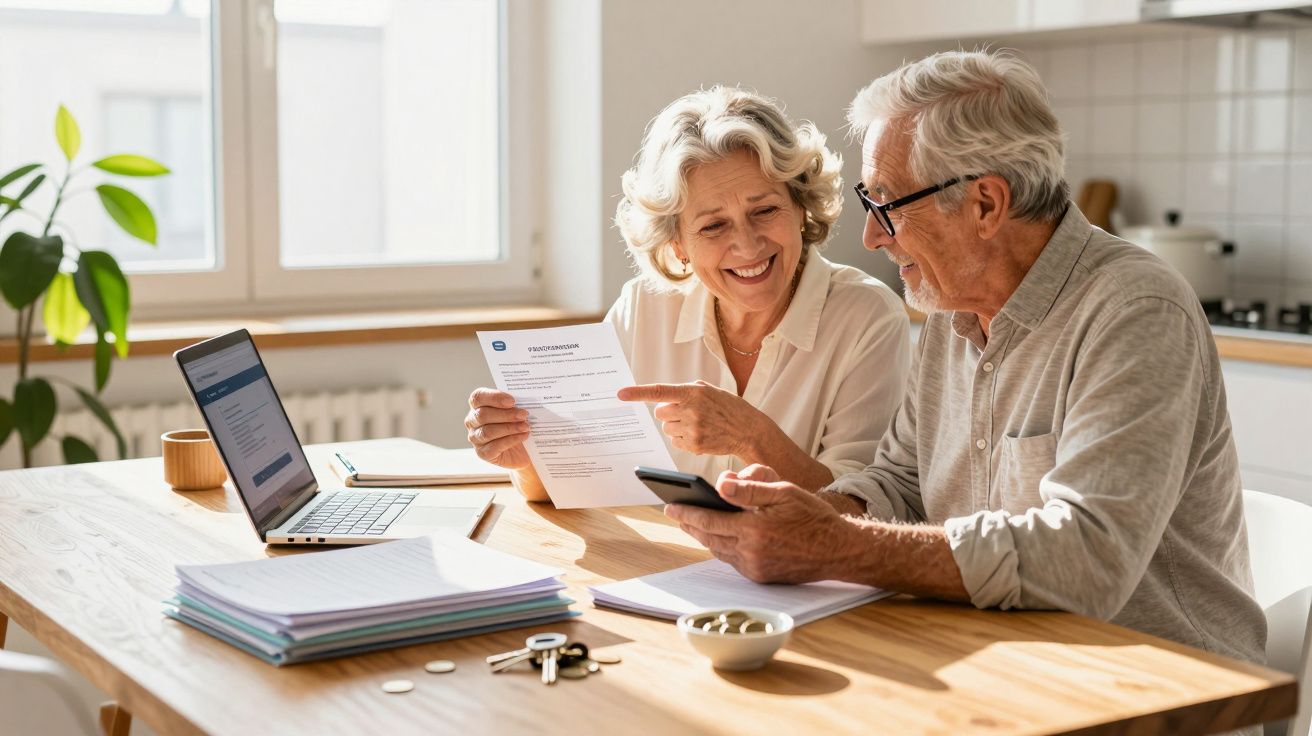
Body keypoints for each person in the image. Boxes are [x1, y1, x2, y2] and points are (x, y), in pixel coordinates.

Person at [667, 51, 1266, 668]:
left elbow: (1088, 556)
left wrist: (835, 543)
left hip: (1161, 680)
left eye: (888, 204)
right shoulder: (951, 309)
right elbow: (901, 484)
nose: (872, 236)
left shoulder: (1134, 310)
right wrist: (808, 515)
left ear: (985, 204)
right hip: (1004, 658)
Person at [466, 86, 910, 501]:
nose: (747, 245)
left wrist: (752, 438)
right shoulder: (644, 308)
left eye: (765, 210)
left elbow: (861, 507)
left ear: (800, 207)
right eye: (714, 226)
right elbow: (582, 482)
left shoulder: (867, 317)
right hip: (658, 558)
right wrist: (525, 457)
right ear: (677, 243)